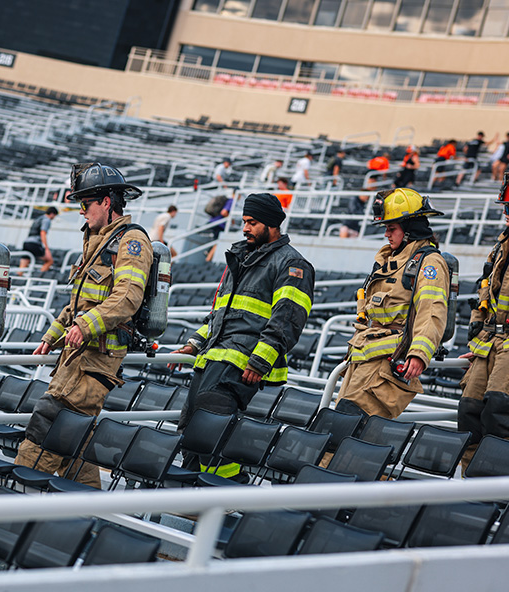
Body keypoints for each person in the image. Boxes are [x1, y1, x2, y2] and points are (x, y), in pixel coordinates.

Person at [14, 163, 152, 489]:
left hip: (94, 364)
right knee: (75, 446)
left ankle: (13, 505)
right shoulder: (98, 241)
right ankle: (89, 516)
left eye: (86, 204)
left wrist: (86, 326)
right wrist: (53, 335)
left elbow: (127, 297)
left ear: (107, 202)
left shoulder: (131, 242)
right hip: (77, 358)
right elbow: (79, 301)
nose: (82, 212)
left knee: (47, 430)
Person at [170, 193, 314, 479]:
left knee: (212, 432)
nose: (245, 228)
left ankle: (227, 491)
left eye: (253, 222)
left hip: (242, 362)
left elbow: (287, 320)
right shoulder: (243, 257)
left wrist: (260, 361)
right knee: (190, 428)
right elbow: (221, 312)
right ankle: (187, 495)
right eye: (244, 222)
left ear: (273, 225)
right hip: (213, 358)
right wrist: (194, 343)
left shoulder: (292, 265)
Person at [336, 188, 449, 419]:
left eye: (392, 228)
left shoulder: (429, 263)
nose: (387, 234)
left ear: (410, 230)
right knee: (338, 427)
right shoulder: (391, 260)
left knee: (346, 430)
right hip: (364, 359)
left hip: (386, 365)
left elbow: (431, 312)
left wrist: (418, 353)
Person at [457, 179, 509, 471]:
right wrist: (477, 342)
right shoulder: (501, 245)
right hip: (490, 344)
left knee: (499, 413)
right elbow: (484, 293)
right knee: (469, 411)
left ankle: (498, 495)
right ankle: (469, 486)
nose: (506, 213)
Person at [18, 206, 58, 275]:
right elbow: (43, 233)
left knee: (23, 265)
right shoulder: (47, 220)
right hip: (34, 244)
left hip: (26, 243)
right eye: (54, 216)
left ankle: (18, 279)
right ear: (52, 214)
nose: (54, 218)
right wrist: (46, 248)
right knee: (50, 261)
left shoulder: (38, 218)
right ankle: (39, 276)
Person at [205, 193, 238, 263]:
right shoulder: (231, 201)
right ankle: (208, 259)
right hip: (219, 224)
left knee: (215, 241)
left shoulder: (227, 200)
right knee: (217, 242)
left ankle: (208, 253)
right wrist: (231, 220)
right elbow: (224, 212)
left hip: (214, 221)